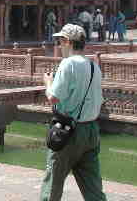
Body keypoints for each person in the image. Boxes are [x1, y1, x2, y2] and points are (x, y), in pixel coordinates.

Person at [40, 24, 106, 201]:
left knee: (52, 184)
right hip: (91, 131)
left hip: (68, 132)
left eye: (60, 41)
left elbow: (53, 98)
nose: (59, 46)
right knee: (93, 188)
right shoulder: (94, 67)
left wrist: (48, 82)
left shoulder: (68, 64)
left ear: (68, 42)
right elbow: (99, 101)